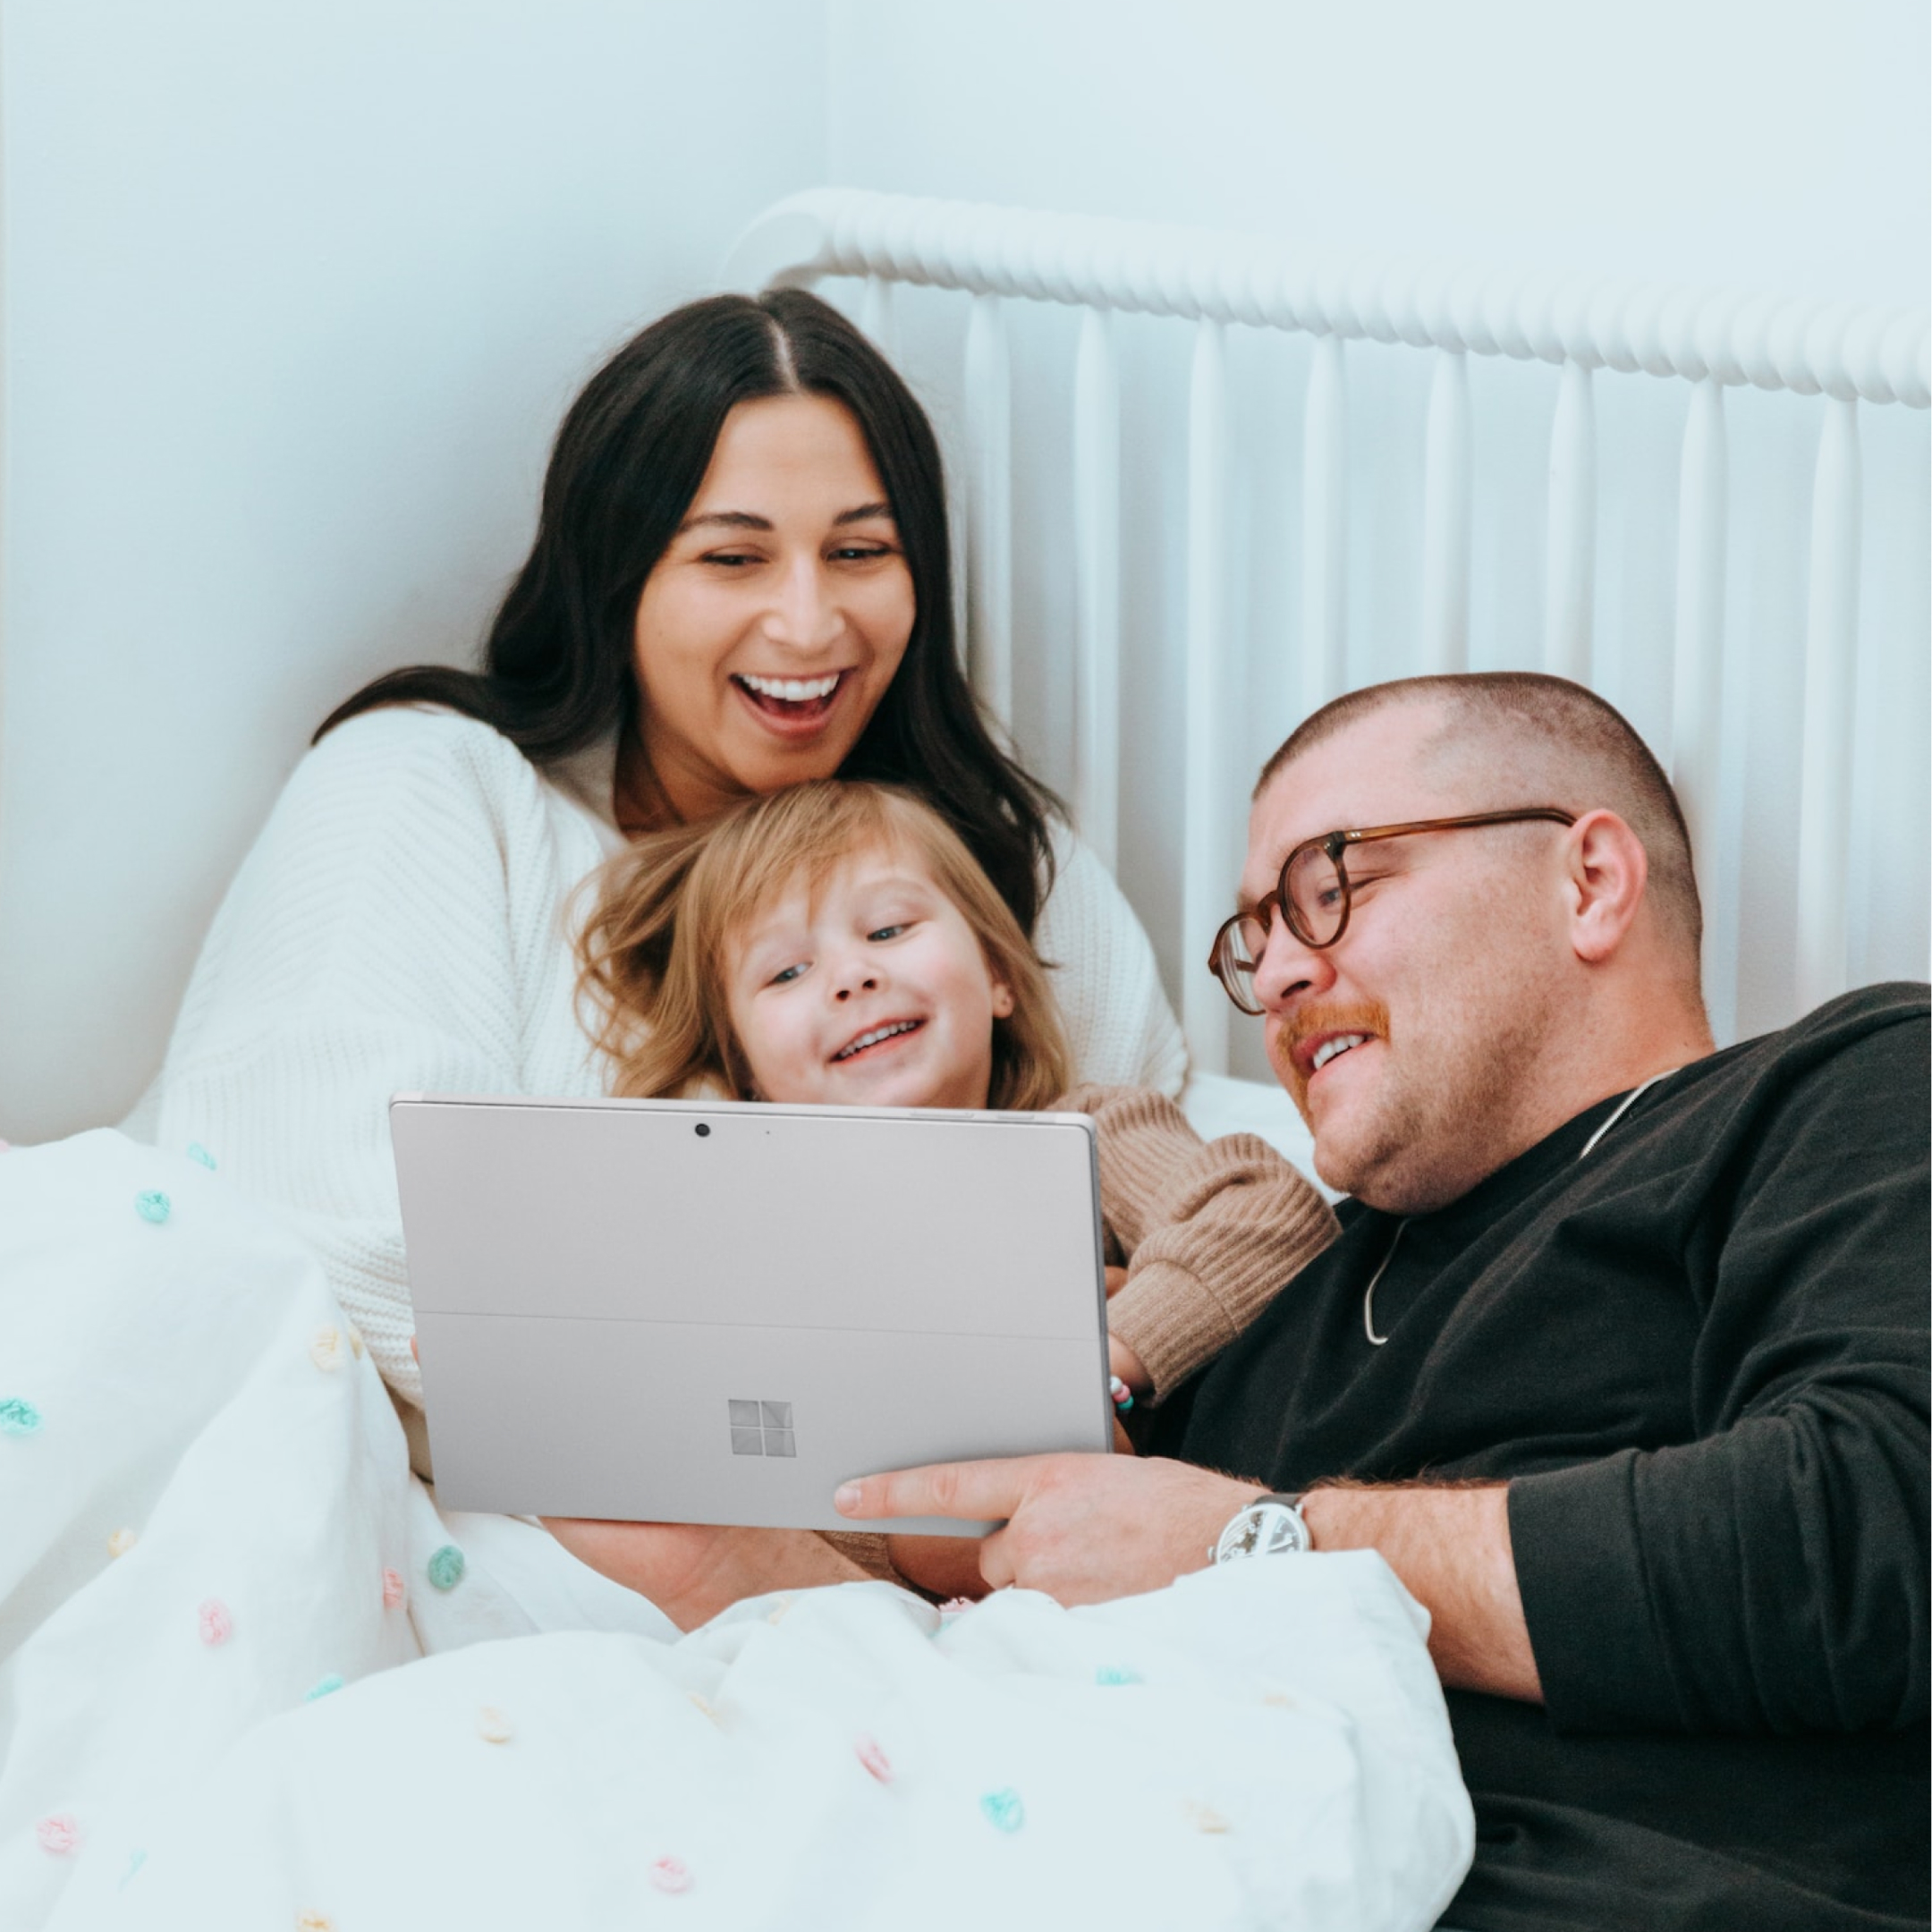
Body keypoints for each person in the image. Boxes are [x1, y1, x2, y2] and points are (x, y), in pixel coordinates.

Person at [822, 673, 1928, 1932]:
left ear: (1591, 882)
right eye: (1257, 938)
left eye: (1330, 887)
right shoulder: (1283, 1299)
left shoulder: (1843, 1092)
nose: (1283, 973)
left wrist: (1256, 1548)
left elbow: (1872, 1540)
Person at [138, 289, 1185, 1449]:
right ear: (619, 577)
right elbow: (344, 1216)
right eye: (734, 557)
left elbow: (1166, 1189)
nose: (807, 622)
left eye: (861, 552)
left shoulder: (1002, 865)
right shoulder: (433, 787)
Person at [575, 774, 1335, 1409]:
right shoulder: (751, 1222)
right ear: (744, 1072)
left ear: (999, 977)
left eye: (887, 931)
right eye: (786, 972)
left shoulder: (1088, 1133)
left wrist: (1091, 1359)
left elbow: (1265, 1217)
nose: (852, 977)